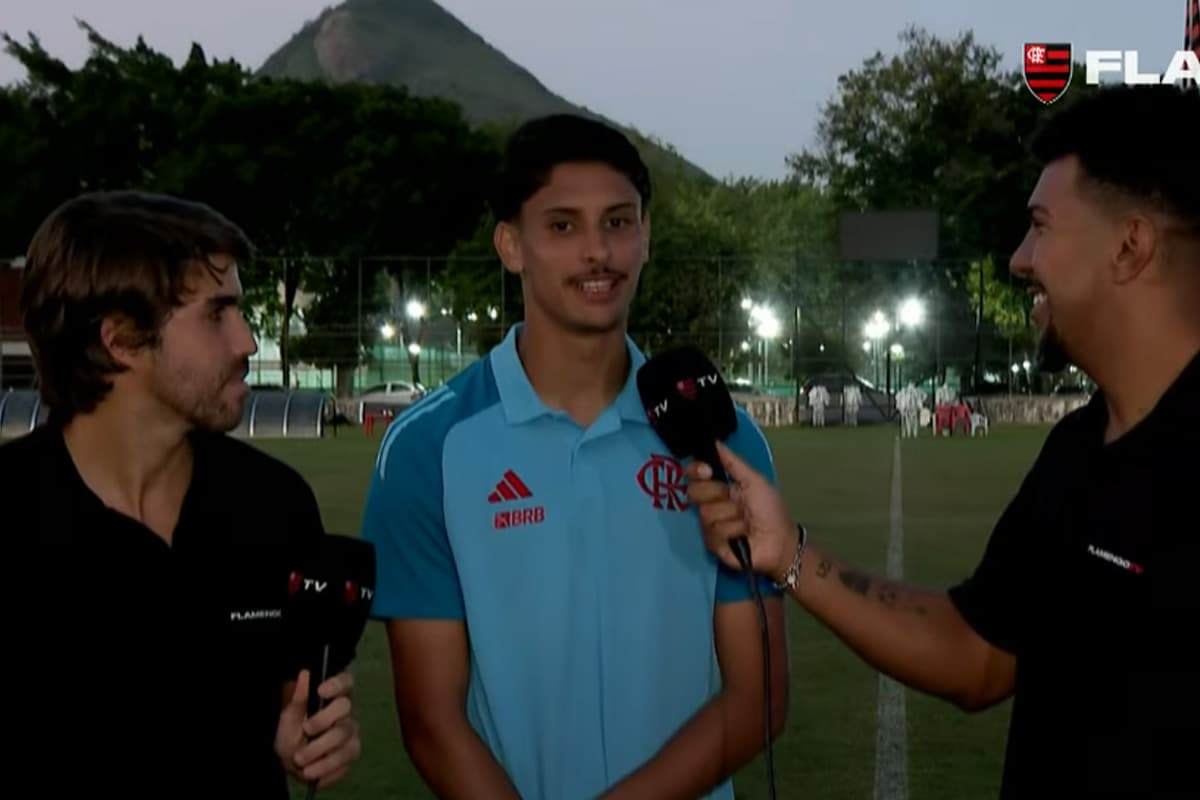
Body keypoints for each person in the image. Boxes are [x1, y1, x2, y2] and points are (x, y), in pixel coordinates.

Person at [683, 84, 1199, 798]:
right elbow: (978, 654)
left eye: (1041, 227)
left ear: (1129, 245)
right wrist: (789, 553)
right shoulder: (1079, 448)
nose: (1020, 259)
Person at [363, 113, 789, 800]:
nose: (599, 252)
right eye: (563, 226)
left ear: (646, 236)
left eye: (618, 222)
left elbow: (758, 695)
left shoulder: (723, 439)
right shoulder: (427, 450)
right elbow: (431, 720)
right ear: (511, 245)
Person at [0, 191, 362, 798]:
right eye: (217, 315)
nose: (247, 342)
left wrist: (307, 737)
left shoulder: (273, 502)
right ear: (121, 340)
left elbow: (289, 702)